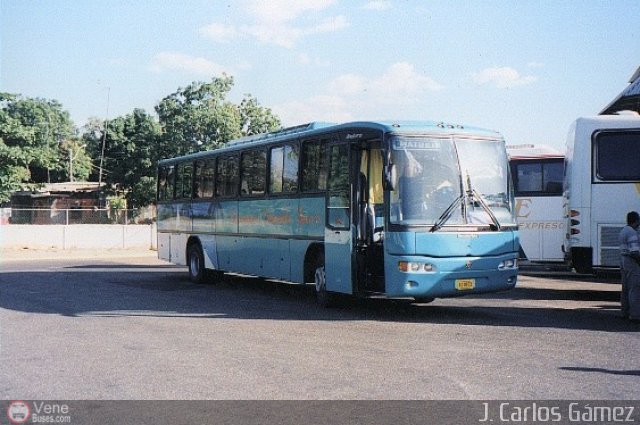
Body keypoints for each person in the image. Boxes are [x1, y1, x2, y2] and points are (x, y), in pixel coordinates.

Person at [619, 211, 640, 322]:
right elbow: (634, 251)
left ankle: (624, 312)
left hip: (623, 260)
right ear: (636, 220)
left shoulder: (623, 230)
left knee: (625, 288)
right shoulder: (632, 233)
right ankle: (635, 314)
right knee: (634, 288)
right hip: (631, 261)